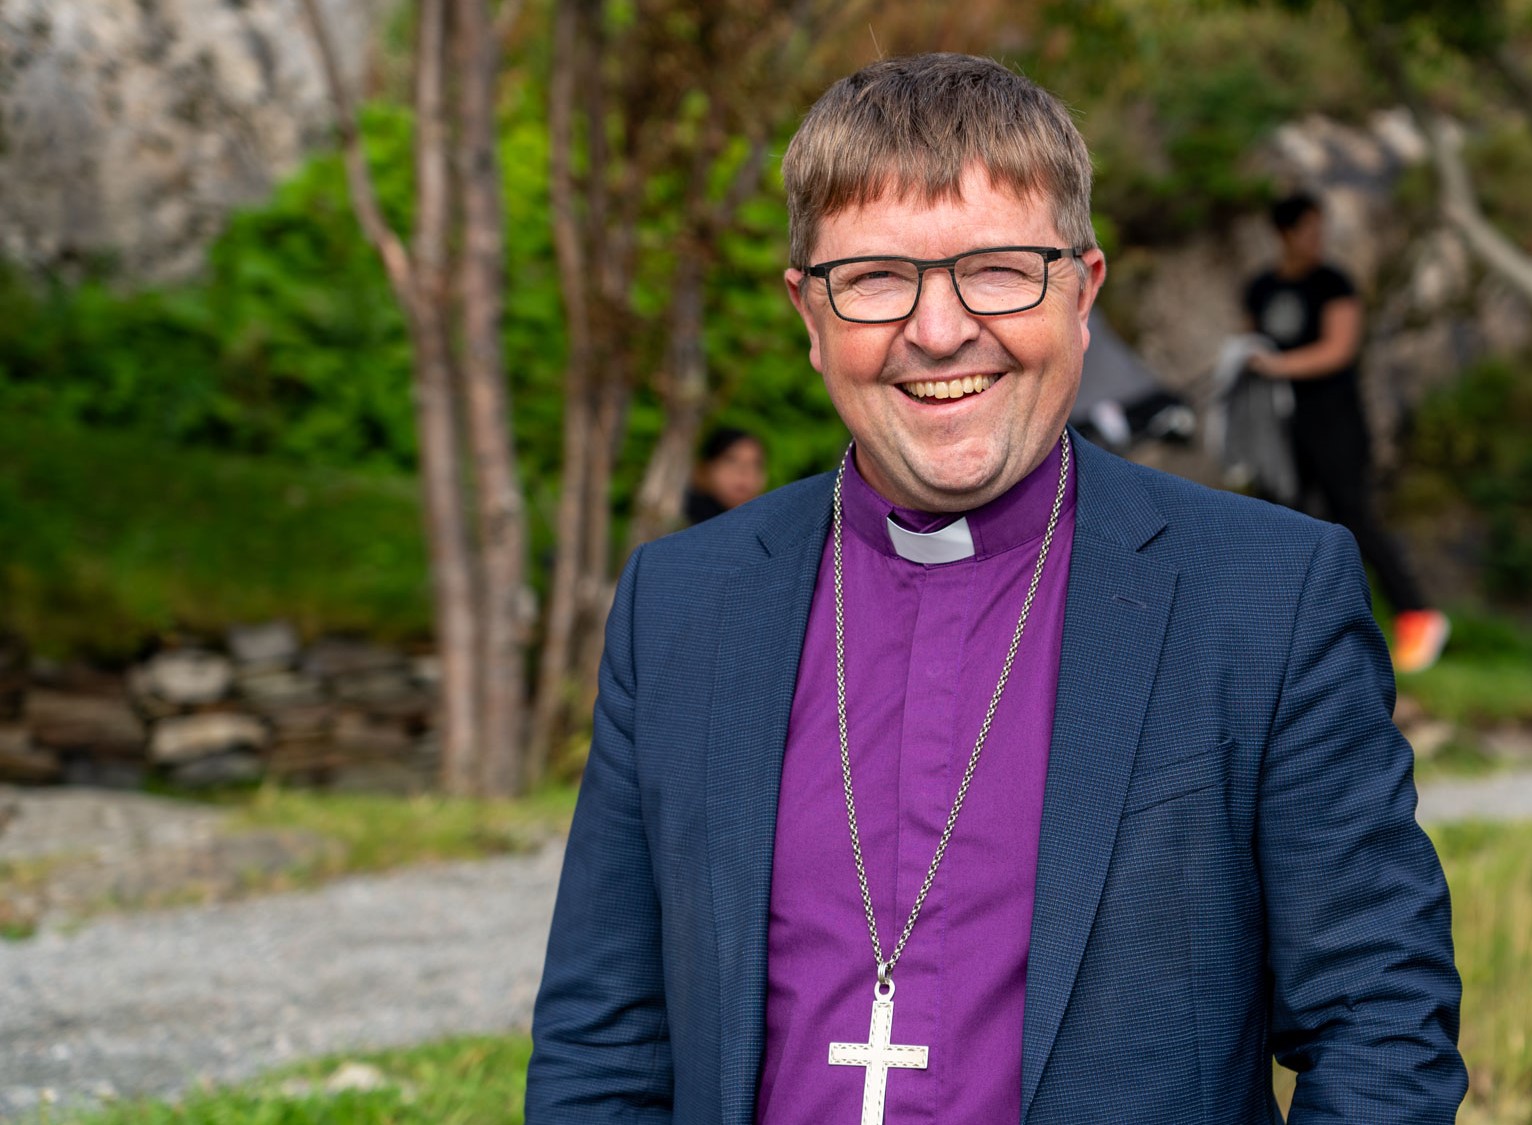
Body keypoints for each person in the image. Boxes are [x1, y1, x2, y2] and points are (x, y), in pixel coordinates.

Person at [526, 54, 1464, 1125]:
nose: (938, 331)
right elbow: (604, 1042)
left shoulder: (1264, 597)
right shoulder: (681, 602)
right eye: (874, 277)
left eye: (999, 269)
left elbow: (1378, 1025)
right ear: (806, 312)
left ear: (1081, 291)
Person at [1244, 193, 1451, 674]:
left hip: (1335, 423)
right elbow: (1253, 342)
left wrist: (1275, 366)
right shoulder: (1261, 287)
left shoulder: (1333, 284)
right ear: (1285, 233)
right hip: (1281, 427)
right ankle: (1285, 634)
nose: (1319, 239)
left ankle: (1417, 616)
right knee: (1279, 522)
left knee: (1353, 516)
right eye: (1310, 229)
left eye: (1322, 228)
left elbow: (1338, 349)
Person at [685, 427, 769, 525]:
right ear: (703, 468)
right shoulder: (681, 518)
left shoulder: (759, 523)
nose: (745, 472)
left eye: (756, 464)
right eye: (731, 460)